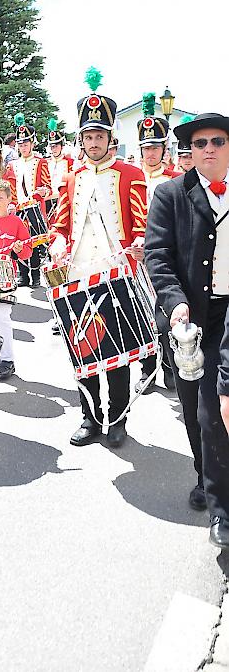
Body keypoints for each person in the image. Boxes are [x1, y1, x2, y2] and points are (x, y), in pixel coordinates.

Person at [49, 73, 148, 448]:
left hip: (115, 273)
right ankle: (90, 417)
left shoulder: (130, 174)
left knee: (117, 351)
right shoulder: (71, 177)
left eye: (100, 136)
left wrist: (139, 242)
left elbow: (141, 224)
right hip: (77, 272)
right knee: (83, 349)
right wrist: (57, 242)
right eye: (88, 137)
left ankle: (118, 419)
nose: (94, 143)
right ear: (82, 139)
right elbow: (60, 224)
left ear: (110, 138)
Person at [145, 112, 229, 544]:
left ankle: (223, 511)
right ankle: (204, 472)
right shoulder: (169, 194)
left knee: (214, 410)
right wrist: (175, 303)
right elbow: (157, 255)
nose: (208, 149)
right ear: (190, 152)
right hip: (191, 319)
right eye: (200, 144)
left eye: (217, 141)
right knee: (196, 409)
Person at [135, 96, 177, 392]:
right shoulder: (132, 178)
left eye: (155, 147)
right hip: (137, 256)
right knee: (140, 314)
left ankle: (169, 366)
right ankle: (147, 369)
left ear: (164, 149)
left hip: (167, 255)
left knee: (164, 315)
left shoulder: (177, 179)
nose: (150, 152)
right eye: (146, 147)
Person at [0, 179, 32, 379]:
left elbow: (27, 252)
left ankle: (7, 359)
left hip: (5, 277)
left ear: (9, 199)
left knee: (2, 318)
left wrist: (20, 249)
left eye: (0, 198)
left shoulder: (17, 222)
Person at [7, 114, 51, 288]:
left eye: (26, 143)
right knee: (18, 242)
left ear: (32, 143)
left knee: (34, 241)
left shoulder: (40, 162)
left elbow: (48, 187)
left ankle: (36, 273)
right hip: (17, 209)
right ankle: (23, 275)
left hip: (33, 207)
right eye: (20, 144)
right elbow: (9, 187)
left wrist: (43, 191)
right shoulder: (12, 165)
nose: (23, 147)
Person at [45, 119, 73, 221]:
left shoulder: (70, 162)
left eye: (56, 146)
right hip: (47, 201)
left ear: (62, 146)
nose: (54, 149)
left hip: (64, 200)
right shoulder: (45, 162)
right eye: (52, 146)